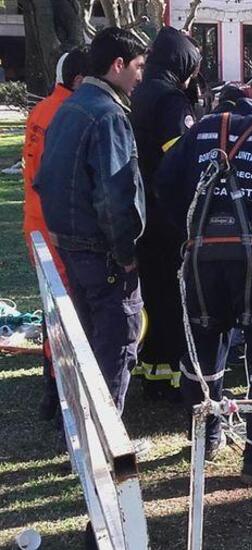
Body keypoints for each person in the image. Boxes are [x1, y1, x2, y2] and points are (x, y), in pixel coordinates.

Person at [154, 92, 252, 482]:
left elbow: (163, 184)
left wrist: (194, 230)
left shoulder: (201, 131)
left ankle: (205, 439)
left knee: (202, 349)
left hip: (201, 256)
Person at [34, 27, 147, 412]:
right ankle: (105, 444)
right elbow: (115, 196)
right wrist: (126, 252)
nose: (140, 76)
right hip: (102, 255)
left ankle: (86, 431)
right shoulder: (108, 115)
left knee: (89, 341)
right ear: (118, 65)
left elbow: (43, 179)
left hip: (71, 246)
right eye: (137, 66)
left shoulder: (70, 106)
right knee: (116, 342)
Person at [130, 25, 202, 401]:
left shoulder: (139, 91)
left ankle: (152, 369)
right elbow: (181, 156)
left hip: (140, 211)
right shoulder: (171, 99)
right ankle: (174, 372)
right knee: (174, 294)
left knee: (151, 293)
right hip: (166, 215)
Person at [22, 47, 89, 420]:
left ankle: (53, 386)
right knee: (65, 311)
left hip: (37, 223)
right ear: (80, 80)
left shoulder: (43, 108)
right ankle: (58, 389)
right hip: (56, 227)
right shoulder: (68, 114)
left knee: (54, 309)